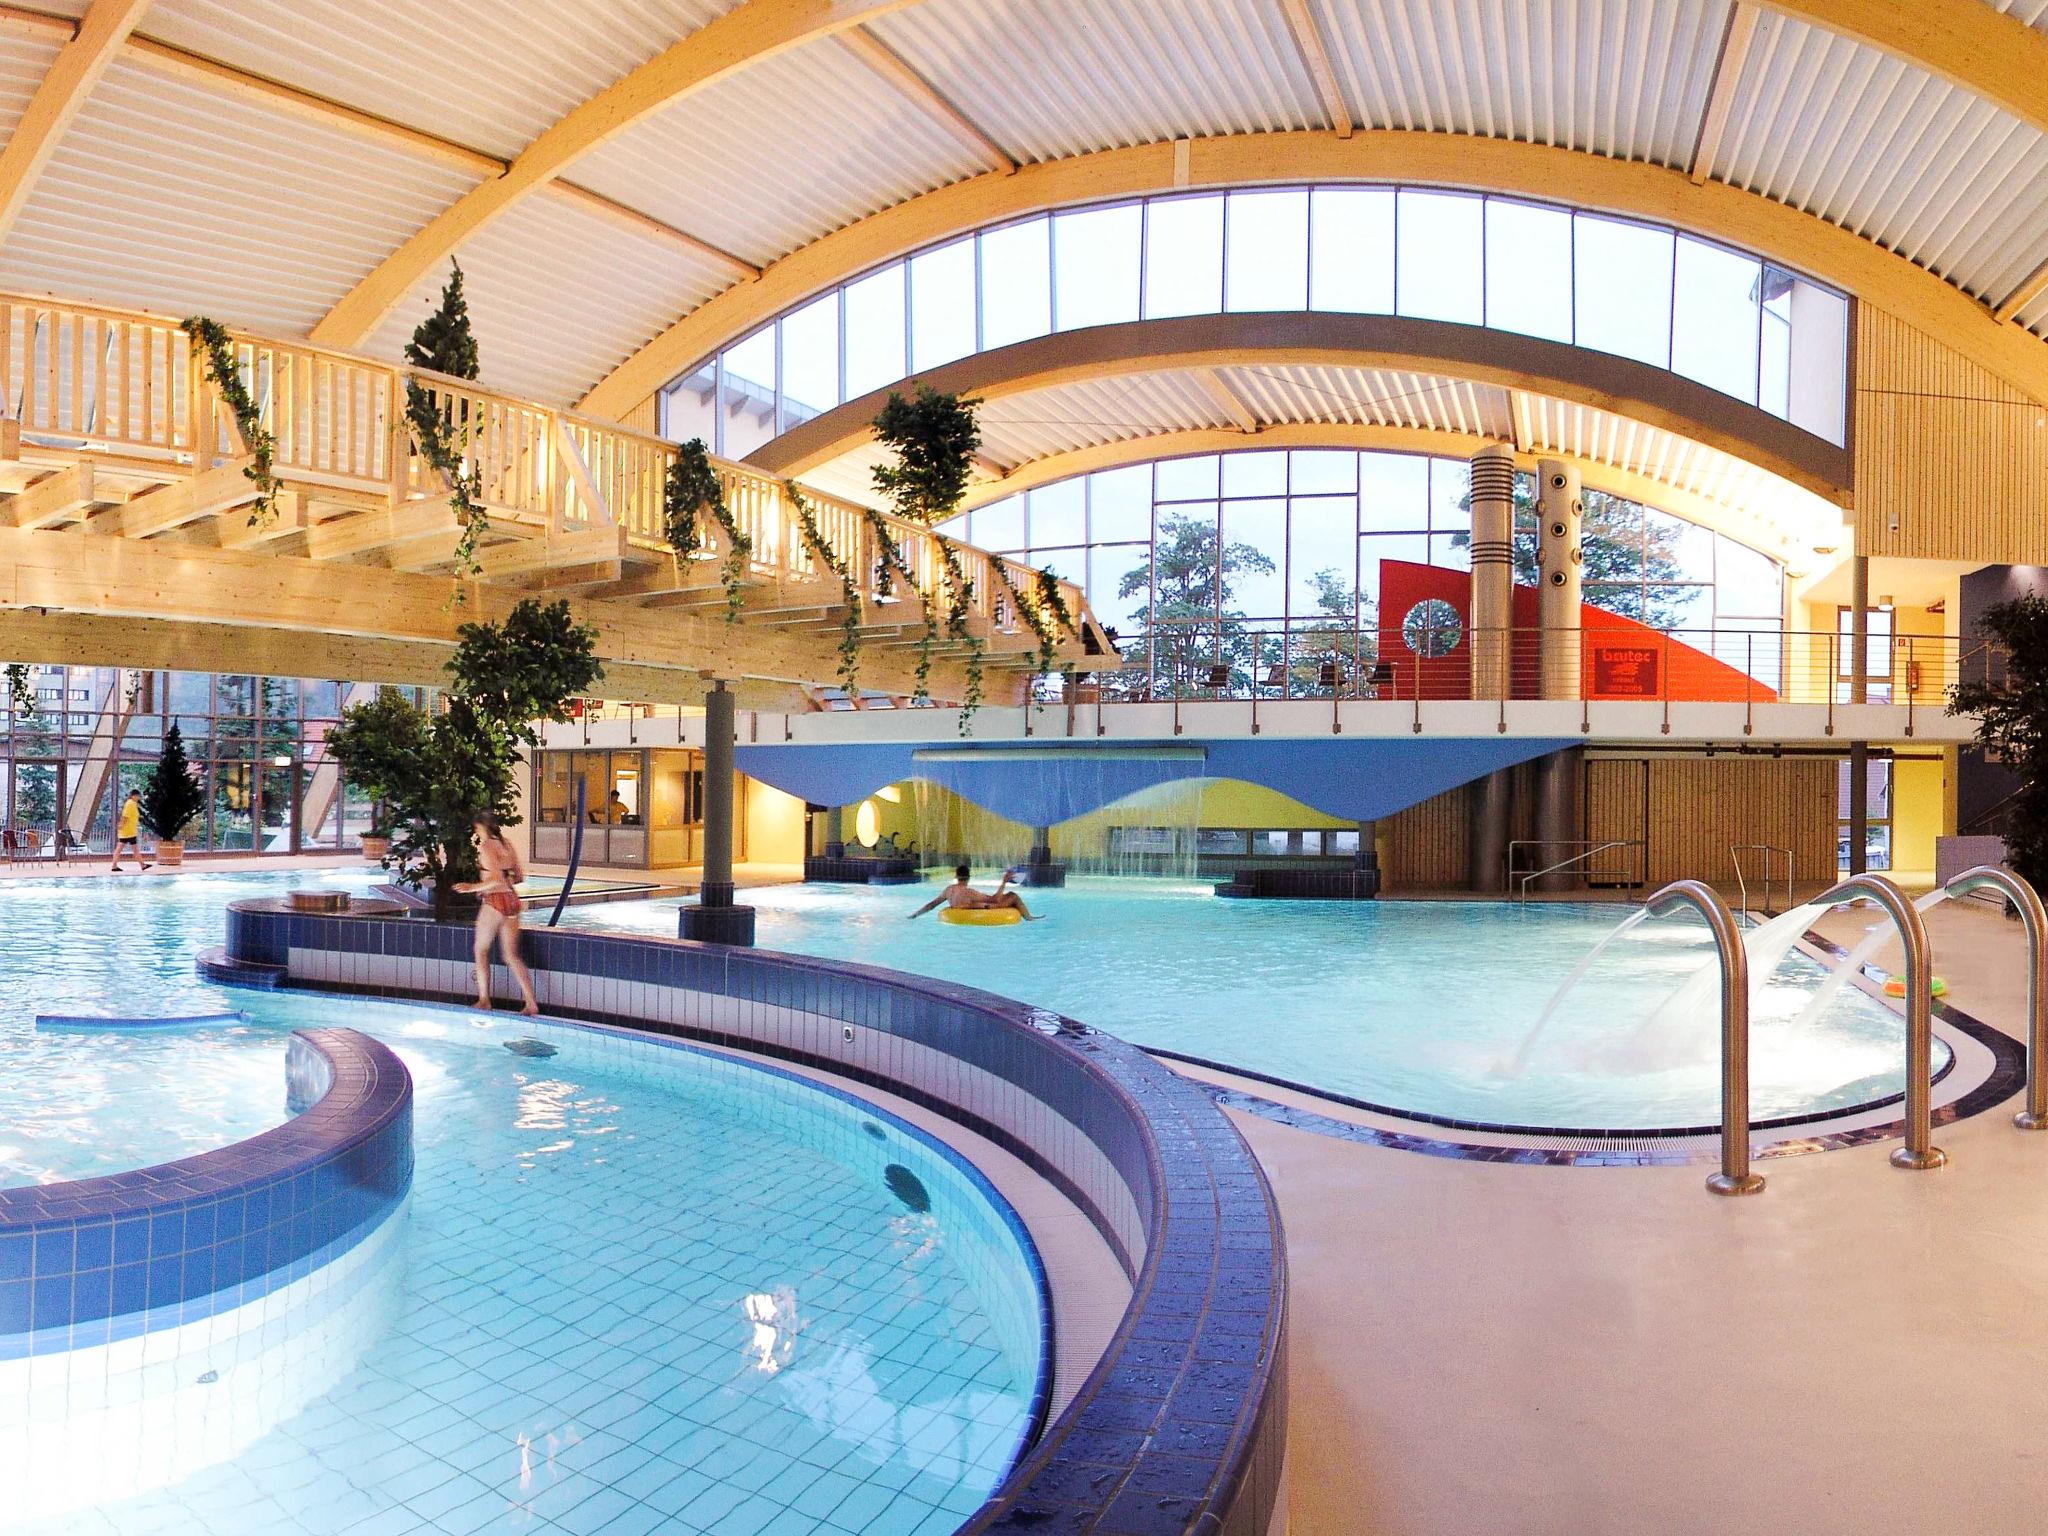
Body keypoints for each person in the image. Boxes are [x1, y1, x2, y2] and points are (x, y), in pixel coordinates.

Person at [456, 813, 539, 1015]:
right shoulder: (507, 844)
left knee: (480, 950)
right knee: (511, 956)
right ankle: (531, 1003)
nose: (475, 832)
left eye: (476, 828)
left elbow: (494, 878)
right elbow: (518, 876)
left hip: (494, 901)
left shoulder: (486, 846)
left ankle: (484, 999)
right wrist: (504, 877)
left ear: (481, 827)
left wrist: (471, 887)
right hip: (512, 901)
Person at [909, 864, 1040, 921]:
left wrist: (916, 914)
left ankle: (1029, 917)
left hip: (961, 908)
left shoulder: (948, 890)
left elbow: (932, 904)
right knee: (1013, 895)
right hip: (983, 907)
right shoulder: (969, 892)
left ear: (956, 876)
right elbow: (994, 900)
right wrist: (1004, 881)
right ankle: (1029, 918)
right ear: (968, 877)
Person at [110, 789, 151, 872]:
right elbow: (125, 816)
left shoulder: (133, 804)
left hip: (130, 831)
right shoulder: (130, 804)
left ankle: (142, 865)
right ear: (133, 796)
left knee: (133, 848)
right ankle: (114, 865)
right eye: (138, 796)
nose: (138, 798)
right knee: (120, 848)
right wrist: (121, 825)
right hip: (127, 831)